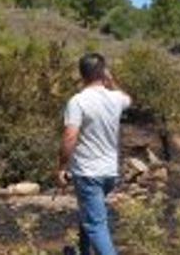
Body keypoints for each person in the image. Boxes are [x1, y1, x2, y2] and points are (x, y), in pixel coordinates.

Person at [57, 53, 131, 255]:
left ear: (81, 74)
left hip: (88, 173)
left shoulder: (78, 101)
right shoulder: (116, 98)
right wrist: (112, 81)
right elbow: (128, 99)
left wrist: (62, 167)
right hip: (109, 173)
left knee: (96, 225)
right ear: (103, 72)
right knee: (87, 217)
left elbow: (70, 136)